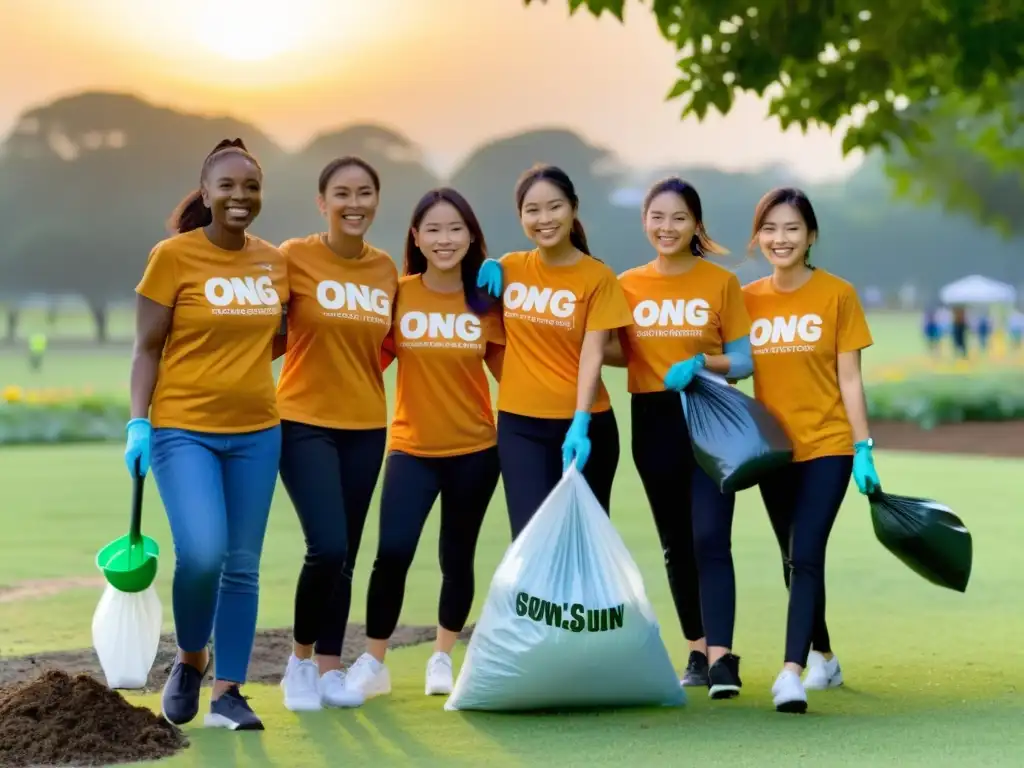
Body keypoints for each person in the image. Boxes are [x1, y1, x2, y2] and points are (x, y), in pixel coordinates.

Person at [126, 138, 287, 731]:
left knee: (242, 564)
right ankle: (192, 656)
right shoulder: (172, 256)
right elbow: (146, 348)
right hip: (181, 432)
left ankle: (228, 692)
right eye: (228, 186)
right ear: (207, 192)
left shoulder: (275, 263)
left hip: (257, 433)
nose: (240, 197)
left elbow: (283, 337)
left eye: (251, 187)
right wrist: (139, 421)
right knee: (201, 554)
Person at [342, 188, 504, 701]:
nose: (445, 239)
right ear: (416, 236)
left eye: (456, 228)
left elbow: (510, 372)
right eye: (433, 229)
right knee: (392, 552)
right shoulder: (400, 293)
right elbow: (369, 358)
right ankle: (373, 661)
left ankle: (442, 656)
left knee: (457, 558)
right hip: (410, 447)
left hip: (476, 450)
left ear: (471, 235)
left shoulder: (485, 298)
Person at [604, 177, 753, 698]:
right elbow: (615, 349)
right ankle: (696, 646)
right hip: (652, 420)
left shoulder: (720, 282)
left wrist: (701, 362)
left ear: (696, 225)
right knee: (675, 544)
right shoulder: (626, 285)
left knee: (711, 537)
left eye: (678, 218)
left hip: (710, 417)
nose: (666, 228)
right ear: (645, 221)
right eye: (657, 217)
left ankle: (722, 659)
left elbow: (745, 360)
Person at [742, 187, 880, 714]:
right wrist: (698, 368)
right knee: (793, 559)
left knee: (805, 554)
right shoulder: (748, 299)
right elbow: (732, 361)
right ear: (759, 237)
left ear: (811, 235)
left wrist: (863, 446)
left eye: (792, 228)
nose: (781, 239)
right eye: (771, 229)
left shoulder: (837, 295)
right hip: (773, 451)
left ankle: (790, 673)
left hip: (829, 446)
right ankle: (824, 654)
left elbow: (850, 377)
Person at [275, 157, 399, 712]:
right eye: (342, 193)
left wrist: (485, 282)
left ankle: (330, 669)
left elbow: (406, 331)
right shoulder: (294, 257)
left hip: (367, 425)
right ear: (322, 203)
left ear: (376, 201)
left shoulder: (386, 270)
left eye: (365, 193)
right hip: (302, 421)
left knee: (346, 552)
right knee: (325, 546)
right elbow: (262, 325)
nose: (355, 203)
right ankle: (298, 662)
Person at [475, 164, 632, 538]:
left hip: (585, 424)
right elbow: (467, 312)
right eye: (533, 210)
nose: (544, 219)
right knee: (531, 542)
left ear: (573, 209)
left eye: (554, 207)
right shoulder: (509, 268)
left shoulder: (597, 277)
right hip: (520, 428)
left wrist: (580, 422)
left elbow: (595, 354)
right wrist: (480, 267)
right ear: (521, 217)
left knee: (583, 544)